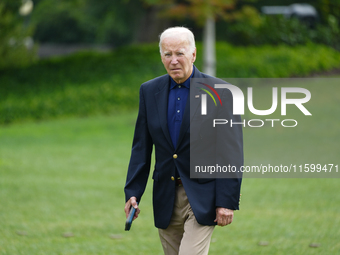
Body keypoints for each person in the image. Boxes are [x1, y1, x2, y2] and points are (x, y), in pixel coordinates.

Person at [124, 26, 243, 255]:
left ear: (194, 54)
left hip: (202, 196)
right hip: (165, 196)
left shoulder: (222, 92)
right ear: (161, 57)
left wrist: (226, 200)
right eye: (167, 55)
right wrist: (133, 192)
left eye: (180, 53)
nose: (174, 60)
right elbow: (141, 147)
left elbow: (231, 152)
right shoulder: (149, 91)